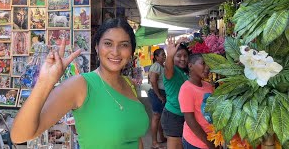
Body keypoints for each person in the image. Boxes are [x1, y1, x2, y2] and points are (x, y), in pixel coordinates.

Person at [11, 18, 149, 149]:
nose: (115, 52)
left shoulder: (130, 84)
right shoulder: (80, 85)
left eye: (124, 45)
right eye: (108, 43)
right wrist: (44, 83)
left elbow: (135, 139)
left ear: (131, 51)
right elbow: (19, 135)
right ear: (96, 47)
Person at [178, 54, 214, 149]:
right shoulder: (186, 89)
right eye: (203, 63)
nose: (207, 67)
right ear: (190, 66)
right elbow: (190, 121)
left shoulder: (208, 86)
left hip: (212, 139)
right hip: (196, 142)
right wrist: (209, 143)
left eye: (208, 64)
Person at [161, 37, 190, 149]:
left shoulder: (184, 72)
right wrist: (170, 55)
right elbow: (168, 67)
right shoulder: (171, 71)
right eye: (179, 56)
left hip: (184, 115)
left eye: (185, 56)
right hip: (173, 116)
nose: (182, 59)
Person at [148, 48, 167, 149]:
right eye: (162, 55)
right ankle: (154, 142)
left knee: (159, 116)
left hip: (159, 92)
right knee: (156, 117)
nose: (164, 56)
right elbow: (153, 81)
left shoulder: (160, 66)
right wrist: (159, 95)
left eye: (165, 54)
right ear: (156, 57)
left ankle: (161, 137)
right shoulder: (156, 67)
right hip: (157, 93)